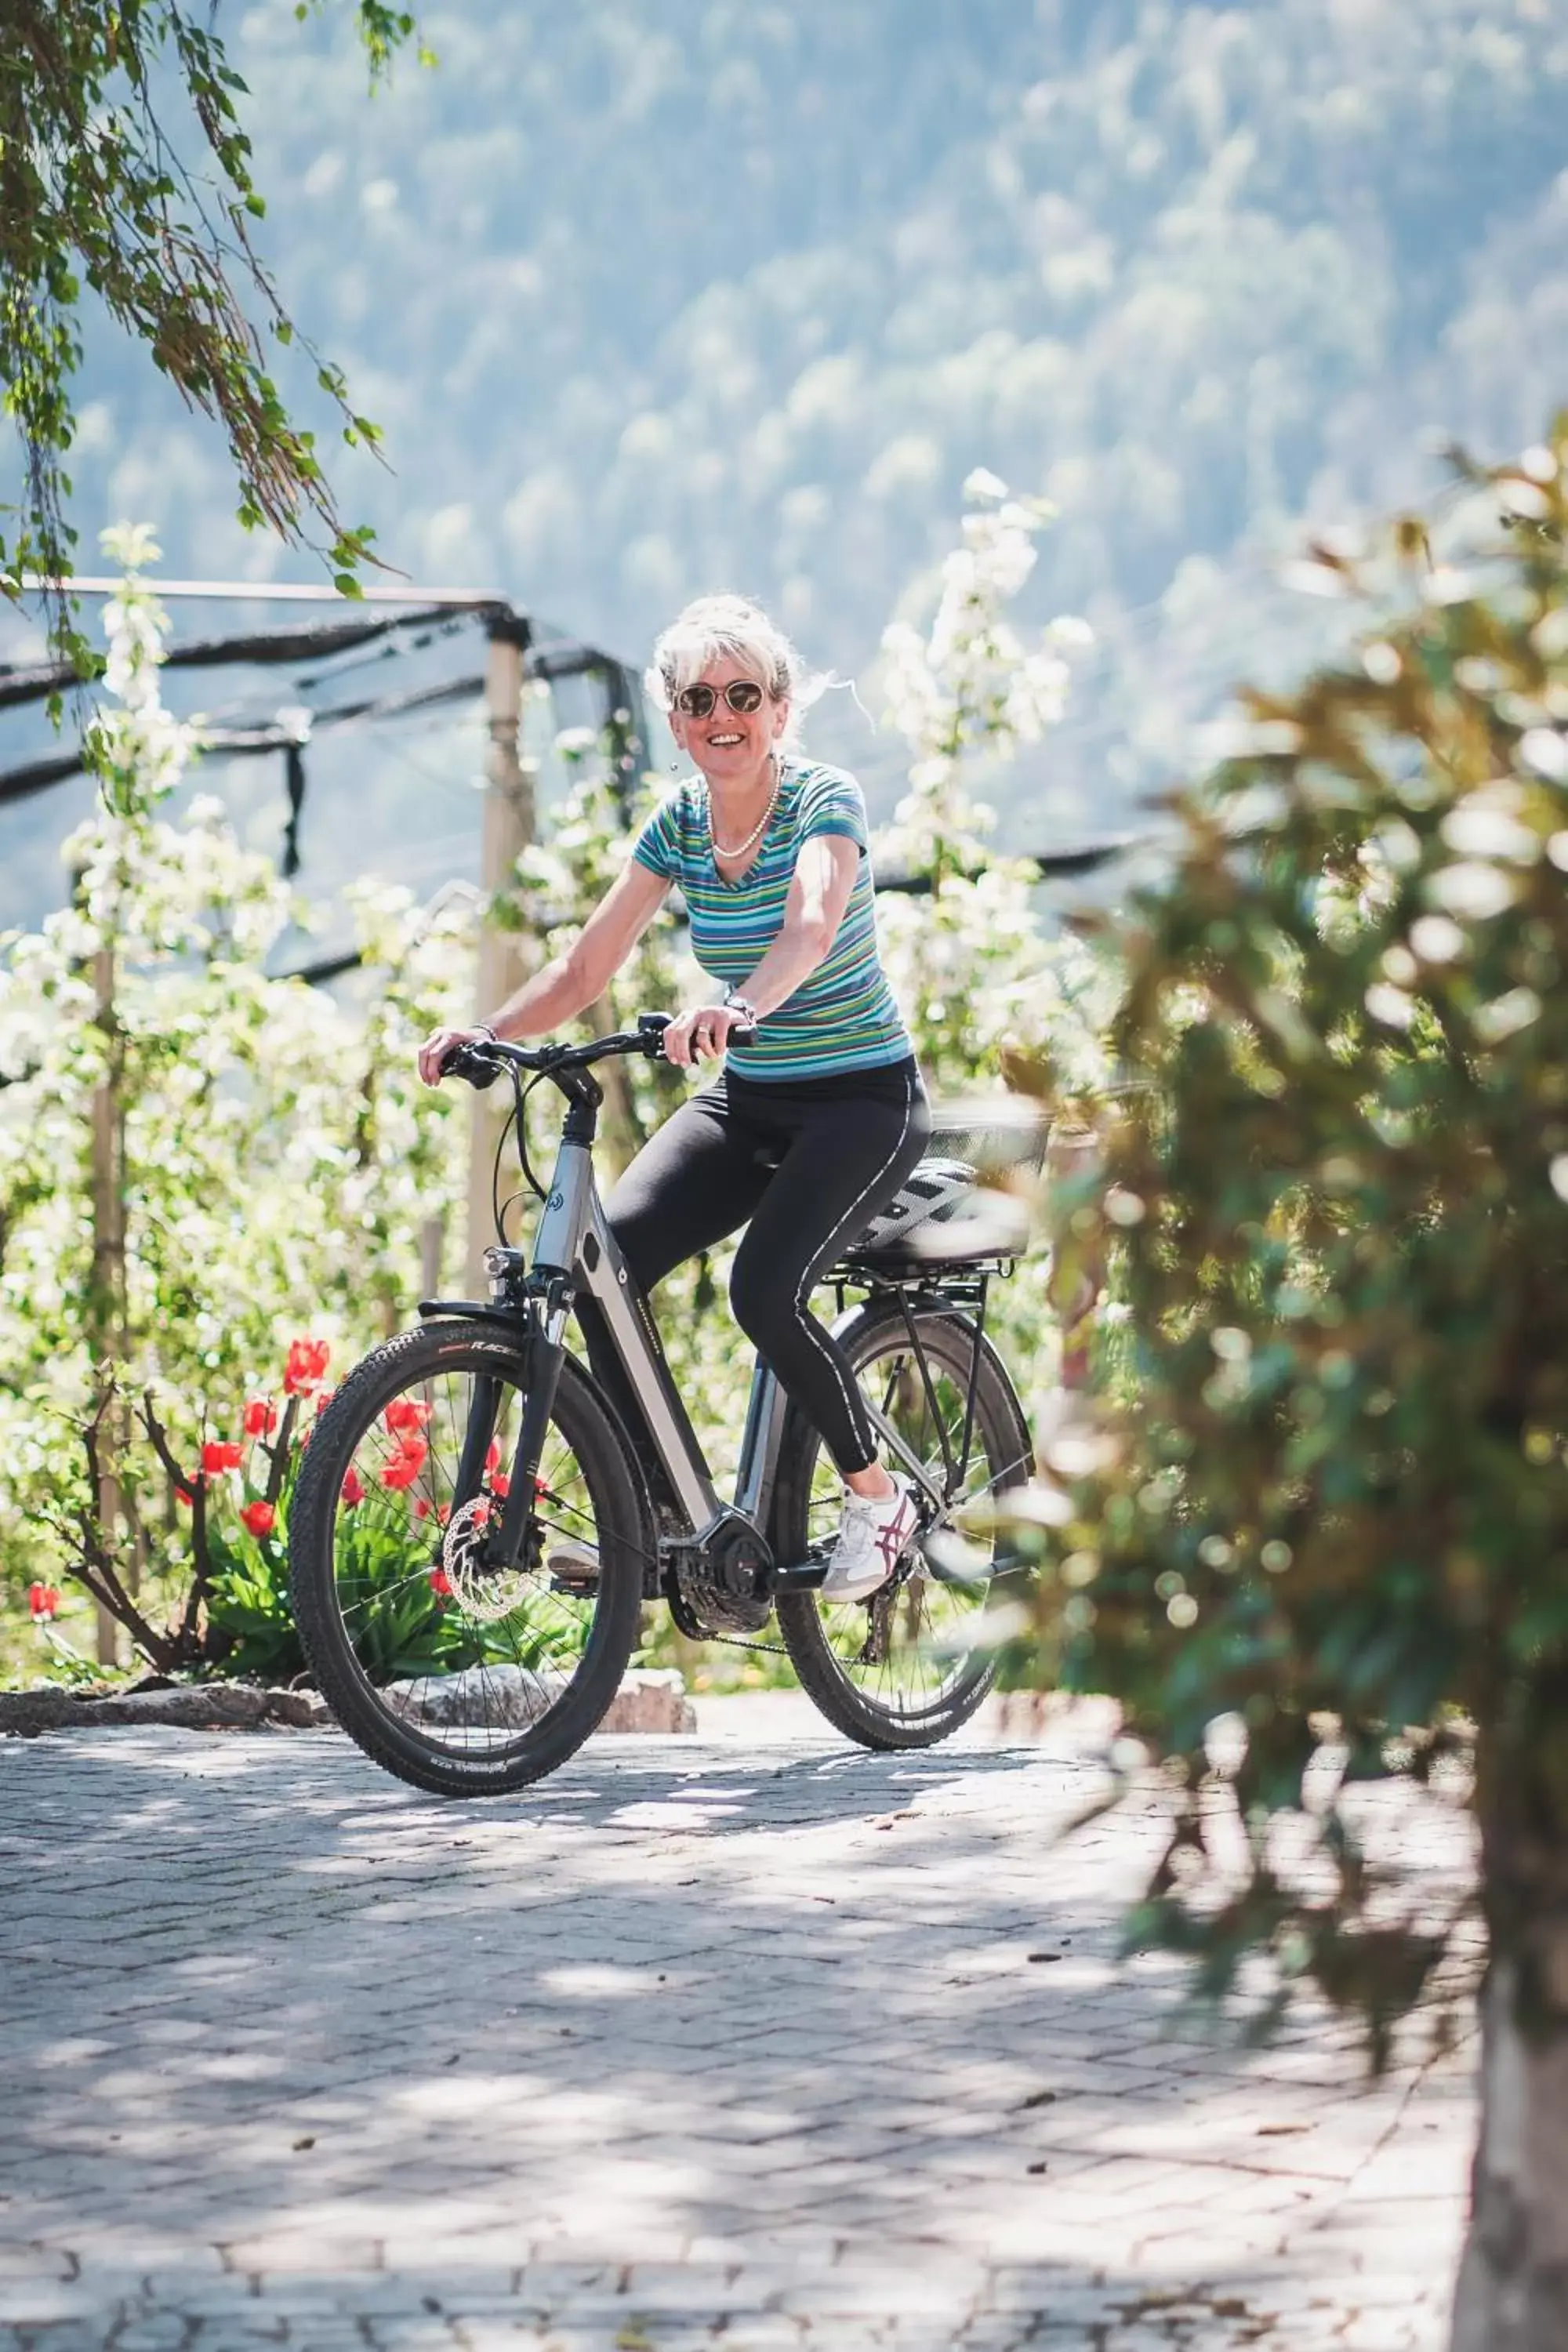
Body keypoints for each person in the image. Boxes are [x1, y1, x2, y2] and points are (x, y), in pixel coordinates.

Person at [419, 593, 931, 1600]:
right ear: (677, 720)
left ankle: (878, 1499)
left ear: (779, 710)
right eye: (698, 698)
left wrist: (736, 1004)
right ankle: (658, 1513)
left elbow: (812, 923)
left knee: (761, 1292)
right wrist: (490, 1033)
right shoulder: (680, 824)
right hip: (750, 1099)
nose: (720, 713)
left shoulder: (822, 799)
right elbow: (581, 968)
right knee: (599, 1269)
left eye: (743, 693)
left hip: (860, 1103)